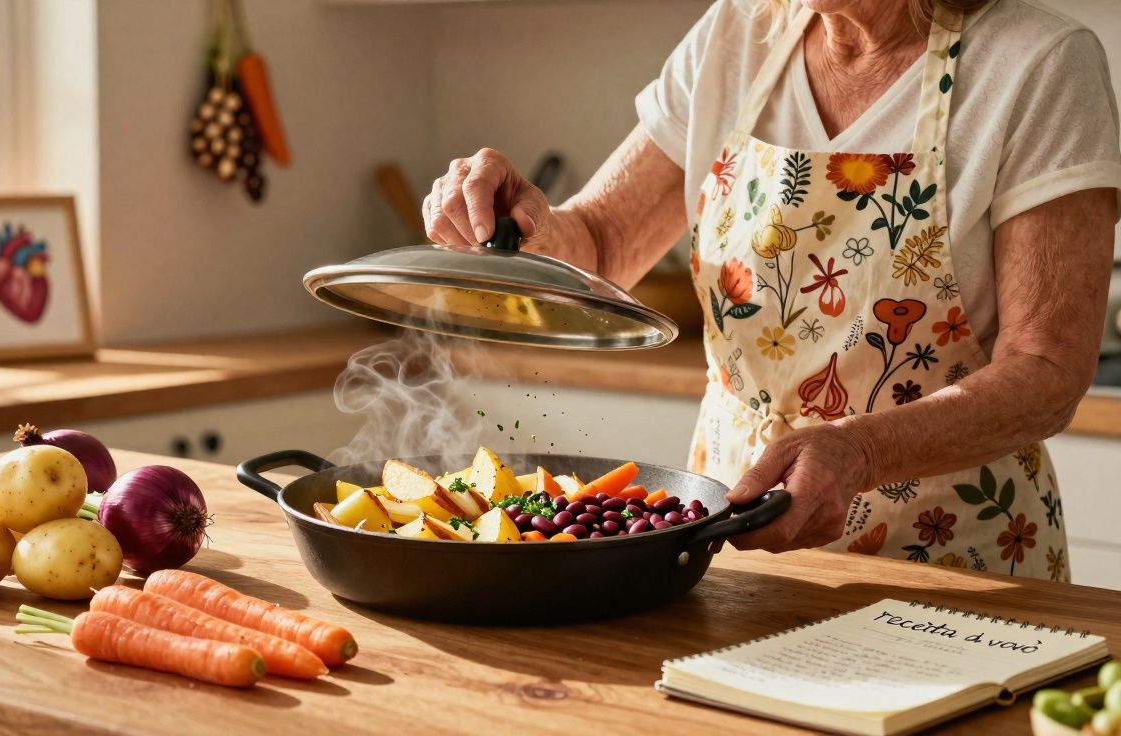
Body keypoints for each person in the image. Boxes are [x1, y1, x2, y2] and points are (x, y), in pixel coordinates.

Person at [420, 0, 1121, 580]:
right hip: (736, 547)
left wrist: (861, 451)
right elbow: (602, 243)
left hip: (957, 566)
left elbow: (1047, 369)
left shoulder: (1038, 64)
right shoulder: (736, 33)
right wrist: (524, 223)